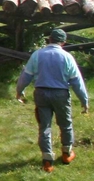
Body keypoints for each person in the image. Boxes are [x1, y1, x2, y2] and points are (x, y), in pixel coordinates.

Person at [17, 28, 89, 172]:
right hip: (60, 94)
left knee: (45, 126)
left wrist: (20, 91)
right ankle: (66, 153)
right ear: (63, 42)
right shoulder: (67, 57)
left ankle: (47, 161)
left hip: (41, 93)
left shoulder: (37, 55)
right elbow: (76, 81)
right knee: (65, 124)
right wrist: (84, 101)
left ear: (49, 39)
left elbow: (26, 75)